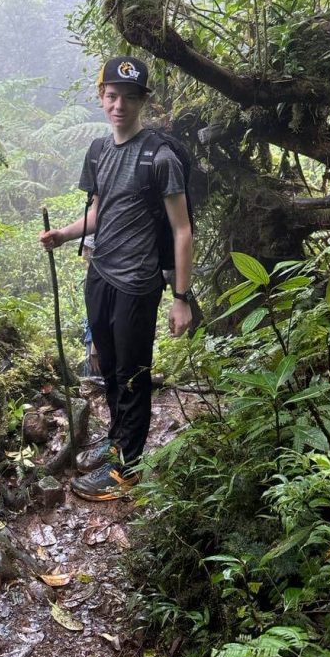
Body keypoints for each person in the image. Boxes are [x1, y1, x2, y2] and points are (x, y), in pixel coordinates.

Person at [40, 56, 194, 500]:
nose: (119, 105)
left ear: (142, 101)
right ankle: (117, 439)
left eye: (129, 97)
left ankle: (128, 467)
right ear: (101, 98)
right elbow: (100, 210)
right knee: (106, 366)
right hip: (101, 273)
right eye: (111, 96)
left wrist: (180, 297)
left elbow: (182, 230)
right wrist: (65, 234)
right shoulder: (99, 151)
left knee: (132, 372)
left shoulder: (160, 158)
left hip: (138, 283)